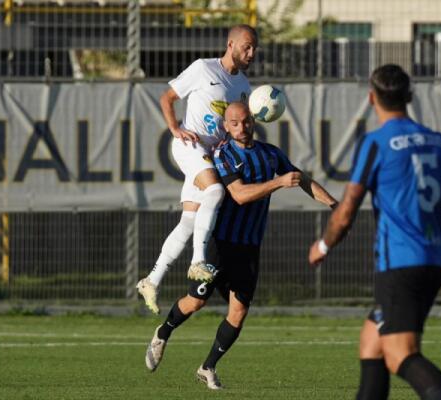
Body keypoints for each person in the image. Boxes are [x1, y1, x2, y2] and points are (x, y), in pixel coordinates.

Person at [308, 64, 441, 400]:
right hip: (434, 262)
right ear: (409, 96)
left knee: (401, 354)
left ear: (372, 98)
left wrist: (324, 245)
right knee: (371, 344)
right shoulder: (439, 142)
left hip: (400, 263)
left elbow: (347, 208)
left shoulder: (376, 143)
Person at [145, 102, 338, 389]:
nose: (242, 127)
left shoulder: (270, 154)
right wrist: (278, 182)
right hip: (220, 243)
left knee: (238, 312)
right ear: (225, 126)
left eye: (246, 121)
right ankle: (163, 332)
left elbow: (302, 180)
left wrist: (335, 205)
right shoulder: (222, 155)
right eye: (234, 123)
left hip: (249, 246)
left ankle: (207, 367)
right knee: (196, 301)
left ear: (255, 121)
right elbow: (239, 194)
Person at [136, 24, 259, 315]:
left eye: (255, 48)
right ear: (231, 45)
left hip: (211, 156)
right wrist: (175, 128)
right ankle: (198, 262)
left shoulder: (244, 86)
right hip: (190, 146)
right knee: (215, 191)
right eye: (247, 47)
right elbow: (167, 97)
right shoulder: (204, 68)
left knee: (189, 221)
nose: (252, 53)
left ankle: (151, 280)